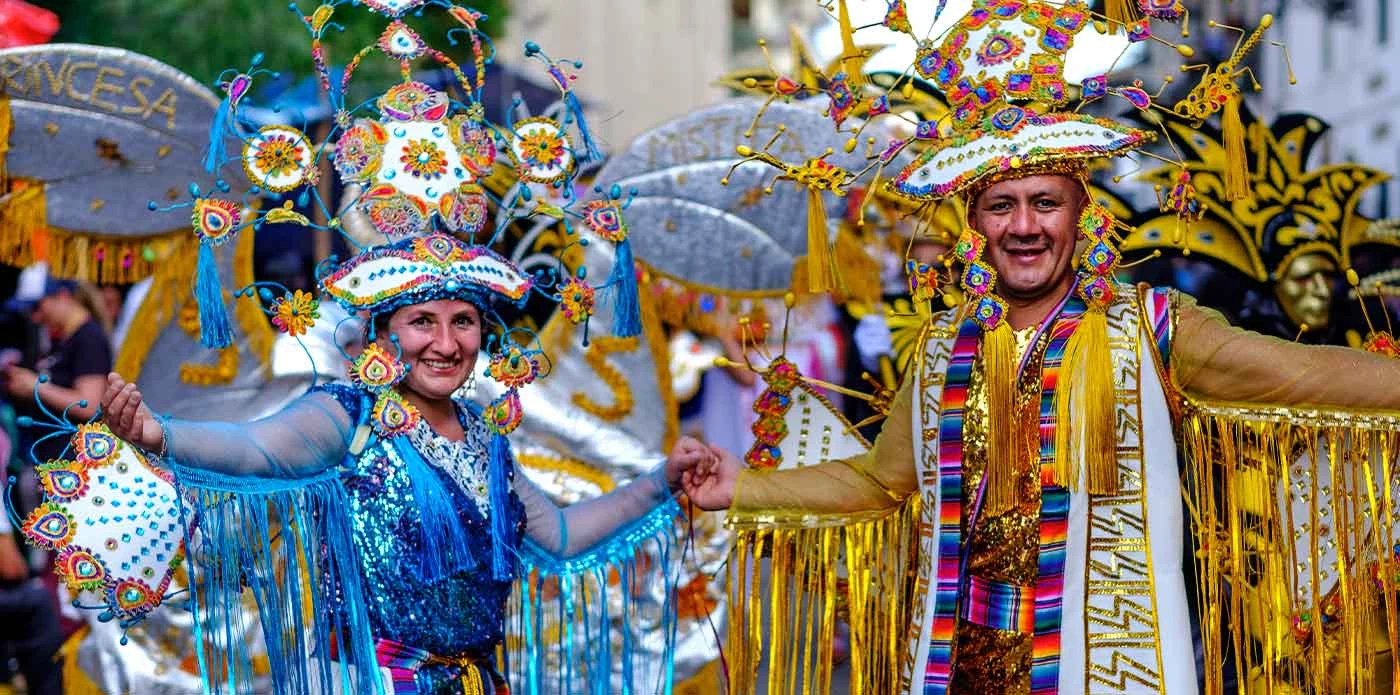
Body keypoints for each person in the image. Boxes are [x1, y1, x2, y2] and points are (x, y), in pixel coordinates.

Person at [678, 3, 1400, 694]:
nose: (1024, 227)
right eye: (1002, 205)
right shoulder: (940, 351)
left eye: (1045, 202)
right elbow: (877, 481)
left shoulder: (1152, 330)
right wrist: (738, 486)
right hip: (960, 668)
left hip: (1106, 665)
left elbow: (1302, 374)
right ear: (975, 223)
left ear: (1081, 214)